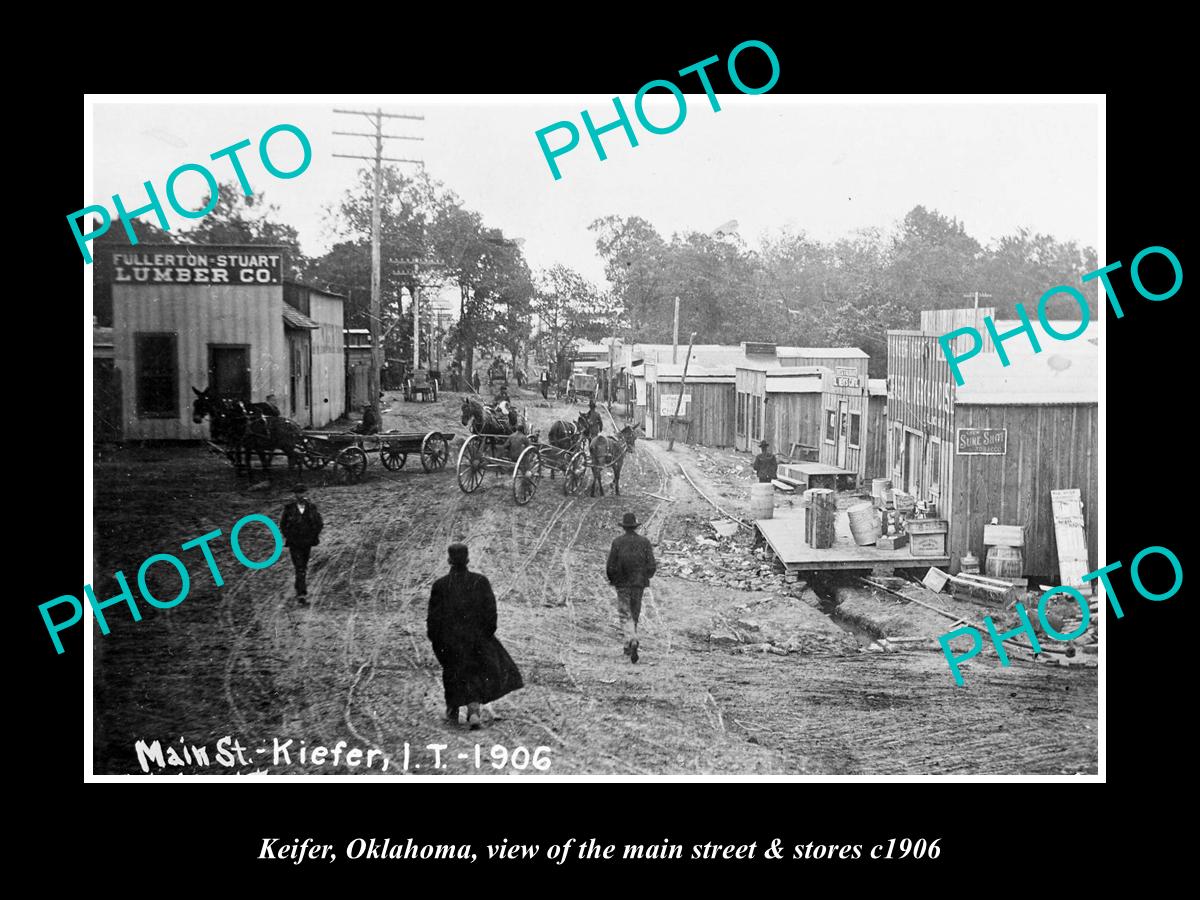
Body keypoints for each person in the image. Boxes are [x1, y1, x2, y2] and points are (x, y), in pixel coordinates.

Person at [427, 543, 524, 728]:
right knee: (474, 673)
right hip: (475, 639)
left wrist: (436, 639)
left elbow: (433, 617)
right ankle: (473, 713)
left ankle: (453, 711)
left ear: (449, 560)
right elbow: (490, 612)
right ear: (467, 559)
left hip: (449, 641)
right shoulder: (480, 582)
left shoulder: (440, 585)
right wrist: (484, 635)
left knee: (452, 672)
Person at [605, 512, 657, 663]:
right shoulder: (645, 542)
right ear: (635, 526)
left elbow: (610, 566)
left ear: (624, 527)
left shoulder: (617, 542)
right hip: (638, 584)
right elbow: (652, 565)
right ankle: (630, 643)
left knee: (624, 613)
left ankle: (631, 640)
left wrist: (613, 579)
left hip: (622, 583)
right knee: (634, 612)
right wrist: (645, 577)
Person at [280, 484, 323, 605]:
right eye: (298, 493)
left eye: (303, 492)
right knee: (300, 567)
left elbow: (319, 523)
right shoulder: (289, 509)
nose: (301, 495)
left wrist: (313, 536)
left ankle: (299, 586)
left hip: (307, 542)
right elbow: (283, 526)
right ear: (295, 494)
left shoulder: (311, 507)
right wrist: (290, 537)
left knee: (303, 566)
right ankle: (301, 594)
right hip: (295, 543)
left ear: (306, 493)